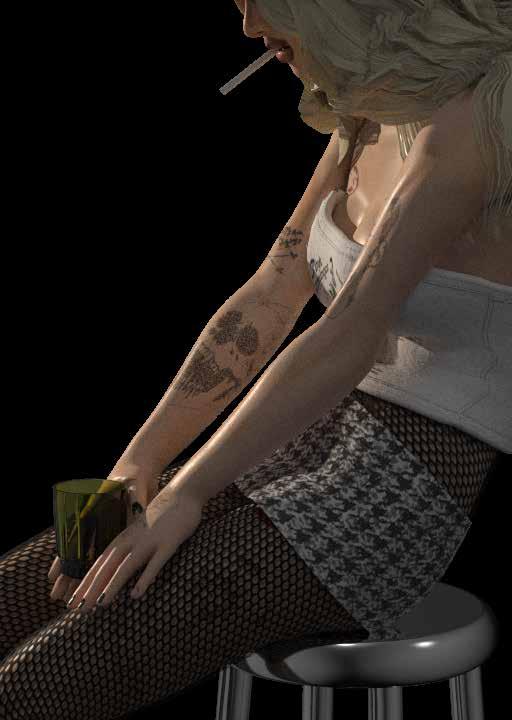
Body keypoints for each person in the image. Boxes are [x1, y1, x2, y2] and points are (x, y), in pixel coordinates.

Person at [1, 2, 510, 718]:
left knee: (36, 682)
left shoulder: (469, 122)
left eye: (258, 2)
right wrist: (139, 465)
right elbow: (272, 292)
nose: (247, 27)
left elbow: (348, 332)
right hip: (288, 442)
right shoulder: (369, 113)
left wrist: (186, 493)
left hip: (399, 489)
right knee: (14, 597)